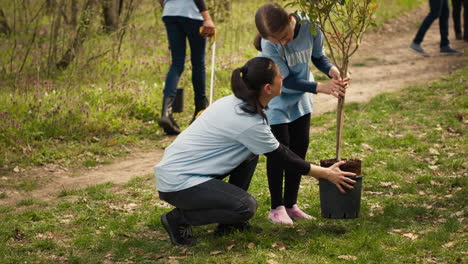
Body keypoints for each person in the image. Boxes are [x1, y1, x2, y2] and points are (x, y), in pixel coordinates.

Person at [155, 57, 357, 246]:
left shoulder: (238, 103)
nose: (283, 78)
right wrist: (326, 174)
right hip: (179, 182)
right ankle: (178, 219)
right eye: (279, 75)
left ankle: (229, 223)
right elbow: (283, 157)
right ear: (268, 88)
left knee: (250, 153)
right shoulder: (247, 120)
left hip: (185, 173)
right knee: (245, 206)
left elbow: (277, 153)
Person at [254, 3, 350, 225]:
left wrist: (332, 70)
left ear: (290, 19)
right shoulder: (270, 43)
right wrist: (320, 87)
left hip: (301, 101)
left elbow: (318, 56)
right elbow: (285, 80)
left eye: (285, 37)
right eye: (278, 40)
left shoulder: (310, 24)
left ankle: (291, 204)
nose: (283, 43)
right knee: (280, 152)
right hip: (276, 101)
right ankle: (276, 207)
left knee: (299, 150)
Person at [158, 0, 215, 135]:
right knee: (198, 63)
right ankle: (200, 111)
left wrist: (169, 6)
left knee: (177, 63)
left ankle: (166, 112)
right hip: (192, 13)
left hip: (170, 13)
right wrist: (207, 18)